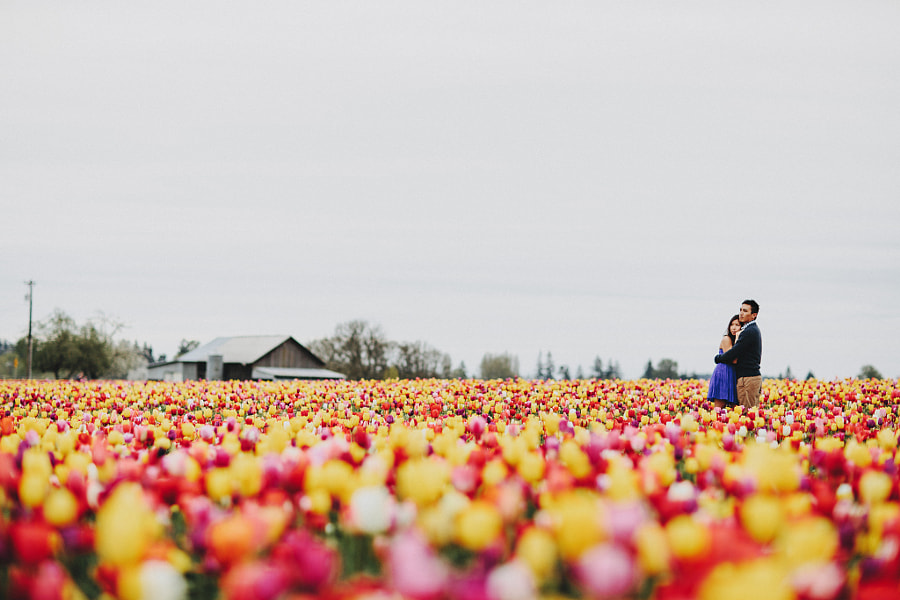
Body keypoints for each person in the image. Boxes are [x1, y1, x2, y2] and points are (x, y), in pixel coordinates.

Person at [715, 299, 762, 408]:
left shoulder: (749, 331)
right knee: (749, 412)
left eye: (745, 311)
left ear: (754, 315)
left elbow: (733, 353)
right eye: (740, 310)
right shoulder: (750, 330)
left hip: (747, 377)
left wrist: (718, 358)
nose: (741, 313)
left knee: (746, 413)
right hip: (749, 376)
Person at [708, 315, 741, 409]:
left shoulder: (735, 341)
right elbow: (733, 360)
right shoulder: (727, 339)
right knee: (719, 407)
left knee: (734, 408)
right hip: (723, 373)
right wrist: (739, 339)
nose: (734, 327)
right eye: (732, 324)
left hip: (732, 374)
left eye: (737, 325)